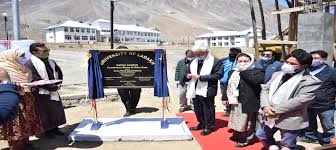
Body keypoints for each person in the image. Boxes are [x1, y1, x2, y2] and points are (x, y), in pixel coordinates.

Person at [256, 49, 321, 150]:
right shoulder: (277, 74)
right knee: (261, 135)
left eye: (293, 64)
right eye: (287, 62)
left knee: (287, 145)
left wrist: (274, 111)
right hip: (268, 114)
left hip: (290, 118)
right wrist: (265, 106)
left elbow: (300, 101)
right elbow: (265, 89)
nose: (287, 65)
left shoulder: (310, 81)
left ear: (304, 66)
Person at [0, 49, 44, 150]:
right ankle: (16, 146)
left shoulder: (21, 67)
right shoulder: (2, 68)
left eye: (23, 55)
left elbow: (29, 79)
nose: (23, 58)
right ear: (11, 56)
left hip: (27, 98)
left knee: (27, 121)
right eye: (20, 56)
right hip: (13, 99)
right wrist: (14, 87)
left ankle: (26, 143)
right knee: (16, 124)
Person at [222, 53, 265, 147]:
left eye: (245, 61)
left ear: (251, 61)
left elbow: (255, 81)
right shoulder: (232, 72)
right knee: (236, 119)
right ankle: (237, 135)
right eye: (240, 61)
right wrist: (224, 97)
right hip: (236, 99)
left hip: (250, 100)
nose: (242, 63)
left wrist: (244, 71)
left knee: (249, 122)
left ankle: (246, 139)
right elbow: (227, 85)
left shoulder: (258, 71)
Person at [25, 43, 66, 139]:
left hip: (54, 89)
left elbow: (59, 73)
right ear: (35, 52)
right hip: (41, 93)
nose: (47, 53)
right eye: (44, 51)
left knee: (55, 110)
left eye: (48, 50)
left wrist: (59, 84)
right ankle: (46, 131)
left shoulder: (51, 62)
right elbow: (36, 79)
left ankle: (55, 128)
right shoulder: (29, 64)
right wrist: (52, 87)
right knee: (44, 112)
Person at [298, 50, 336, 145]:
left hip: (325, 104)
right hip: (308, 103)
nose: (313, 60)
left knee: (328, 124)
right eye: (312, 58)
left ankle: (329, 139)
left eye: (316, 58)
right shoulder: (305, 70)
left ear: (324, 59)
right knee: (309, 122)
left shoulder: (332, 72)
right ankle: (311, 136)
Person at [186, 45, 223, 136]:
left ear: (206, 52)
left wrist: (201, 77)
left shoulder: (216, 61)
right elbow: (186, 71)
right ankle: (201, 123)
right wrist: (188, 75)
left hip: (208, 88)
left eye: (199, 54)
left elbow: (218, 75)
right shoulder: (193, 61)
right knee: (197, 108)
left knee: (208, 108)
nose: (197, 56)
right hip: (194, 88)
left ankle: (209, 126)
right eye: (195, 54)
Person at [116, 46, 142, 117]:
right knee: (124, 96)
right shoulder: (114, 60)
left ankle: (132, 109)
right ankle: (128, 110)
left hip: (135, 81)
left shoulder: (135, 59)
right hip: (120, 82)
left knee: (136, 95)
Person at [219, 47, 241, 116]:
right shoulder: (223, 60)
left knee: (235, 96)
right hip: (224, 82)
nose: (233, 53)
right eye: (232, 51)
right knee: (225, 97)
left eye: (236, 51)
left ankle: (234, 111)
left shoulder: (240, 61)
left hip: (236, 82)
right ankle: (228, 110)